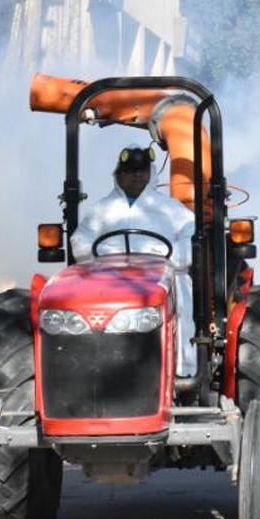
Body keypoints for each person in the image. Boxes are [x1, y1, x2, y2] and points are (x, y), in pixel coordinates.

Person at [70, 144, 198, 377]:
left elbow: (192, 236)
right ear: (119, 175)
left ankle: (180, 370)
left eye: (142, 170)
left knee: (181, 308)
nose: (137, 175)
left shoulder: (170, 209)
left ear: (150, 173)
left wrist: (167, 257)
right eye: (130, 170)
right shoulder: (102, 210)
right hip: (110, 282)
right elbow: (80, 241)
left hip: (163, 282)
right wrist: (111, 254)